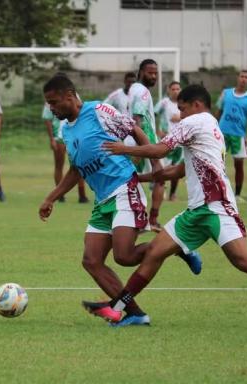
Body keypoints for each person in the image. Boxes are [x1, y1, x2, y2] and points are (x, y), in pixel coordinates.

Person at [85, 84, 247, 331]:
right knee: (155, 252)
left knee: (244, 261)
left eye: (182, 108)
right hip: (196, 211)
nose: (179, 115)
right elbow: (178, 170)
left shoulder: (196, 121)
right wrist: (140, 179)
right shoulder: (210, 127)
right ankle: (119, 309)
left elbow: (161, 149)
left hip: (216, 206)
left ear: (196, 105)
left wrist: (124, 148)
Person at [39, 75, 202, 327]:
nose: (51, 108)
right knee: (91, 261)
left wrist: (156, 164)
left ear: (69, 96)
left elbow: (133, 129)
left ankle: (178, 246)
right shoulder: (65, 130)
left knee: (124, 256)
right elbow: (75, 170)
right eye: (48, 103)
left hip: (124, 188)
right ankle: (136, 313)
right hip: (102, 200)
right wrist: (50, 198)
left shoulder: (98, 111)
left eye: (54, 102)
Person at [128, 59, 165, 230]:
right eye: (150, 72)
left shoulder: (133, 89)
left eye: (156, 73)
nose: (153, 76)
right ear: (141, 72)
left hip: (134, 141)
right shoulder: (142, 92)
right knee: (160, 177)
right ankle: (151, 220)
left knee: (130, 180)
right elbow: (138, 120)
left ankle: (136, 219)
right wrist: (145, 149)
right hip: (144, 142)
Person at [215, 70, 247, 201]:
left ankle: (237, 194)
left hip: (238, 135)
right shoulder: (226, 93)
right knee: (218, 163)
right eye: (242, 76)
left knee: (238, 165)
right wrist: (213, 127)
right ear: (237, 78)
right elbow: (218, 111)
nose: (243, 79)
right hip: (222, 134)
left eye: (246, 77)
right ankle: (219, 192)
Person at [42, 102, 88, 203]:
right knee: (59, 166)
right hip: (59, 138)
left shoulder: (74, 97)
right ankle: (60, 196)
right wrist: (51, 139)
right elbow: (47, 119)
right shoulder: (51, 99)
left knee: (79, 165)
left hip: (74, 136)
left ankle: (82, 196)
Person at [154, 81, 183, 201]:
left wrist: (180, 117)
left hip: (180, 141)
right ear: (169, 90)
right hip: (167, 141)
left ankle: (172, 194)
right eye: (174, 89)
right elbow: (153, 114)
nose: (176, 91)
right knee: (164, 168)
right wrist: (157, 130)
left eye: (178, 89)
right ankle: (162, 190)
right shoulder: (164, 103)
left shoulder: (184, 104)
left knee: (176, 169)